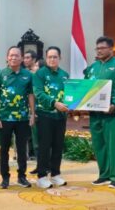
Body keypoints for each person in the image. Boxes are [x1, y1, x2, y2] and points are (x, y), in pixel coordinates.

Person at [84, 36, 115, 188]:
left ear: (111, 49)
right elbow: (86, 87)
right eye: (97, 48)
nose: (99, 51)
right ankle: (103, 174)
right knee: (99, 145)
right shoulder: (92, 67)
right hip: (95, 113)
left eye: (102, 48)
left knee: (114, 145)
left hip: (112, 113)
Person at [0, 46, 35, 189]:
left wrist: (32, 114)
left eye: (16, 55)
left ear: (21, 58)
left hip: (22, 119)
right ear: (7, 57)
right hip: (4, 118)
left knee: (22, 149)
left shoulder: (28, 75)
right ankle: (5, 177)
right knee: (4, 149)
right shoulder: (0, 74)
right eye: (11, 55)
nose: (13, 58)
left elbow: (30, 96)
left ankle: (22, 176)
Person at [33, 46, 69, 189]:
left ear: (60, 58)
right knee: (44, 146)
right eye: (49, 57)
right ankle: (42, 176)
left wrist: (73, 103)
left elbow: (70, 94)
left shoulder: (65, 75)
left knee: (58, 145)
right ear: (46, 58)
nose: (52, 59)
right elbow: (38, 93)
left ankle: (55, 174)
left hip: (60, 116)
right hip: (44, 115)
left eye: (55, 57)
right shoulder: (39, 74)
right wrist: (54, 103)